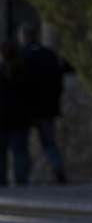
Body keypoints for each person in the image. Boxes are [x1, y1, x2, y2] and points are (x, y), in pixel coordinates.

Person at [17, 22, 67, 184]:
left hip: (26, 110)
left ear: (23, 37)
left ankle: (21, 179)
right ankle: (58, 170)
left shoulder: (22, 56)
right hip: (47, 109)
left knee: (20, 147)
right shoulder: (49, 55)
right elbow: (59, 81)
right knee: (49, 143)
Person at [0, 41, 32, 186]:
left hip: (3, 117)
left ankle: (2, 180)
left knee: (2, 153)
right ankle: (21, 181)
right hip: (20, 118)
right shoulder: (23, 70)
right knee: (20, 152)